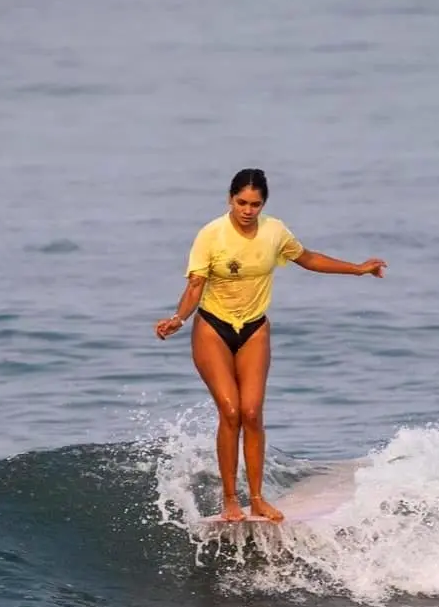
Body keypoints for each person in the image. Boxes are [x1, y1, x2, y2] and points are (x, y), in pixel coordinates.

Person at [154, 168, 387, 523]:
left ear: (264, 204)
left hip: (254, 329)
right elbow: (195, 285)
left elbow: (307, 257)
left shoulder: (274, 231)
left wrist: (357, 269)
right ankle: (230, 500)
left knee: (252, 413)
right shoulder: (211, 235)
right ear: (230, 199)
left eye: (255, 204)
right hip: (212, 328)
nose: (248, 210)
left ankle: (258, 499)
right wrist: (178, 318)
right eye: (241, 202)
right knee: (230, 412)